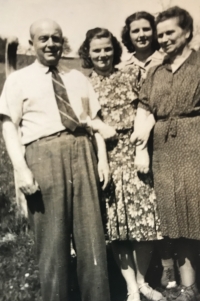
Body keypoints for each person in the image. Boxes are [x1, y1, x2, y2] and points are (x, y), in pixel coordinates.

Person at [0, 19, 112, 301]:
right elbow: (8, 127)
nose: (51, 44)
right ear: (32, 44)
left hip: (83, 152)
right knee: (52, 243)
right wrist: (22, 170)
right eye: (43, 39)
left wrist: (102, 160)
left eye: (56, 38)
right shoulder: (18, 80)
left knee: (92, 241)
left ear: (64, 42)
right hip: (43, 154)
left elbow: (94, 120)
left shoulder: (77, 78)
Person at [79, 27, 165, 301]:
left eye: (107, 48)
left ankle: (142, 282)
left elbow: (149, 106)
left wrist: (142, 150)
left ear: (114, 49)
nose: (103, 54)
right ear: (88, 53)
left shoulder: (131, 74)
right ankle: (130, 288)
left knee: (146, 223)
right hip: (107, 157)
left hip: (137, 152)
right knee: (118, 227)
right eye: (96, 50)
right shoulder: (84, 84)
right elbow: (83, 118)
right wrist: (97, 123)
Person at [131, 6, 200, 301]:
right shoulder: (156, 71)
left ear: (187, 32)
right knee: (177, 220)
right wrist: (141, 150)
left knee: (196, 213)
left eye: (170, 32)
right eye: (160, 35)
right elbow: (144, 109)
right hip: (164, 151)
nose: (163, 39)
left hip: (194, 144)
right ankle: (188, 286)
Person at [121, 11, 176, 289]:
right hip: (132, 142)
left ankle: (169, 266)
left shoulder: (166, 60)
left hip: (164, 137)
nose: (142, 35)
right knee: (145, 203)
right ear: (128, 36)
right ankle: (148, 273)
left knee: (165, 200)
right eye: (135, 31)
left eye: (146, 29)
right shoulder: (122, 66)